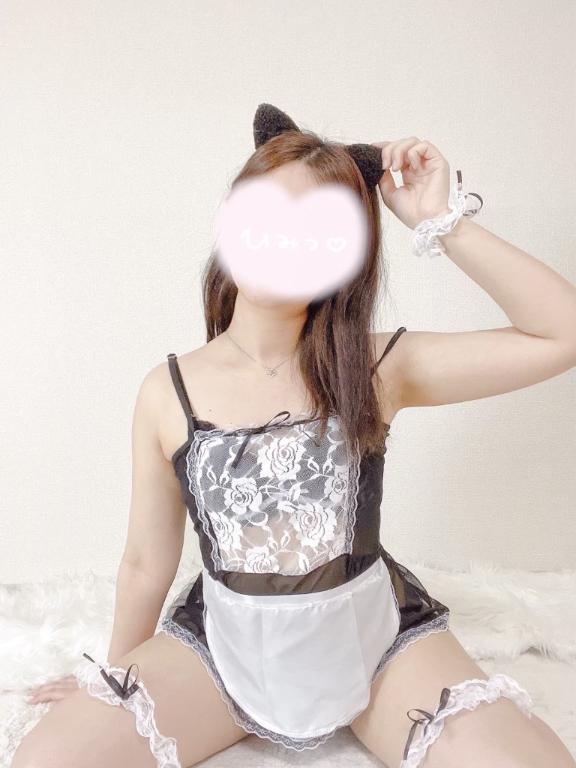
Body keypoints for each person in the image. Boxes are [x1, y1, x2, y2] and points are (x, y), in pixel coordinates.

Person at [14, 108, 576, 768]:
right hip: (223, 651)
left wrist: (439, 220)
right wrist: (115, 685)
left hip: (373, 643)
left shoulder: (376, 367)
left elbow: (561, 333)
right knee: (48, 759)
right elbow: (144, 562)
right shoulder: (168, 391)